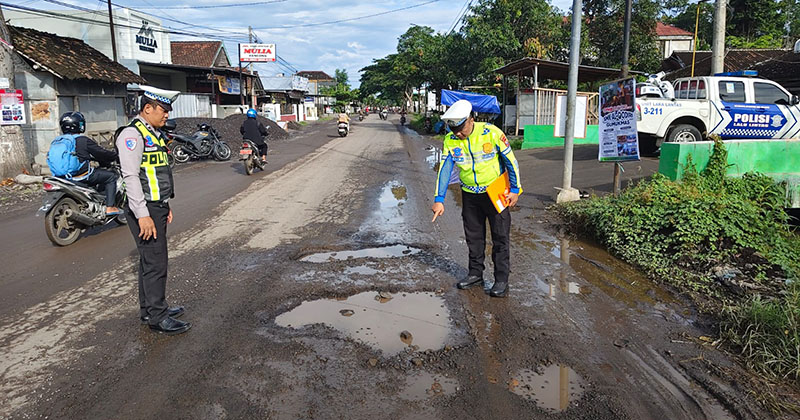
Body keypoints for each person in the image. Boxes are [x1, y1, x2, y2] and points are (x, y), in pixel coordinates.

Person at [116, 85, 190, 335]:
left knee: (150, 261)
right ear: (148, 109)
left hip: (155, 206)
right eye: (163, 110)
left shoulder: (153, 134)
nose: (167, 115)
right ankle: (157, 317)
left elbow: (156, 175)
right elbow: (131, 176)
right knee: (156, 262)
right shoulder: (132, 135)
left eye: (168, 110)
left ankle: (150, 308)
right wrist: (143, 214)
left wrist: (164, 205)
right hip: (144, 208)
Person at [431, 100, 521, 298]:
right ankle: (475, 274)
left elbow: (510, 161)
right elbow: (445, 169)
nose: (457, 133)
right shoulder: (450, 140)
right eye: (453, 129)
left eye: (461, 128)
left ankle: (501, 279)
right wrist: (439, 198)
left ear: (472, 119)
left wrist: (515, 189)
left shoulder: (492, 133)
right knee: (474, 237)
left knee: (500, 237)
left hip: (496, 192)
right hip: (470, 195)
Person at [53, 112, 122, 215]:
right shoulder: (82, 140)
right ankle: (110, 207)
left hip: (63, 177)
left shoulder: (58, 141)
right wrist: (115, 156)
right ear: (79, 125)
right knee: (111, 177)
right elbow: (101, 153)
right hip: (81, 176)